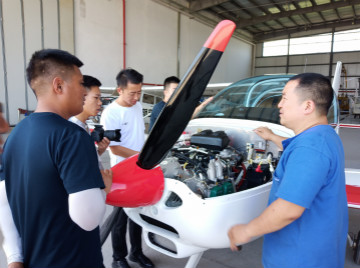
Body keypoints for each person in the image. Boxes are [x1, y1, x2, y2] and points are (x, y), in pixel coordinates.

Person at [0, 49, 112, 268]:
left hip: (35, 259)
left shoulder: (15, 135)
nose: (83, 91)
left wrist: (15, 258)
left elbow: (5, 202)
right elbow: (87, 218)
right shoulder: (72, 136)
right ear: (58, 85)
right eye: (80, 84)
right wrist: (103, 189)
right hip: (73, 260)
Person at [228, 73, 348, 268]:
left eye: (284, 98)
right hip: (317, 252)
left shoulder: (310, 148)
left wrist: (245, 231)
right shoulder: (323, 136)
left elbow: (288, 210)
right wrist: (272, 136)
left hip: (299, 258)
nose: (279, 105)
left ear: (308, 106)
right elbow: (299, 154)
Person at [100, 68, 154, 268]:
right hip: (121, 173)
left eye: (139, 92)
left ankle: (136, 253)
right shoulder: (111, 113)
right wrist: (141, 157)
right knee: (120, 218)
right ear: (119, 90)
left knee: (138, 215)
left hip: (140, 170)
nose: (136, 97)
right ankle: (118, 258)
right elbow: (114, 148)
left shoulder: (137, 106)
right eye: (132, 93)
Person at [69, 75, 110, 169]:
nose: (100, 103)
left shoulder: (83, 126)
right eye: (96, 98)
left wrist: (100, 151)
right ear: (81, 97)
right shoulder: (73, 130)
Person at [148, 75, 214, 132]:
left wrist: (203, 105)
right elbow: (177, 121)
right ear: (165, 92)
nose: (178, 93)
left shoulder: (175, 107)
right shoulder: (159, 108)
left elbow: (186, 117)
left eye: (179, 90)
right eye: (175, 89)